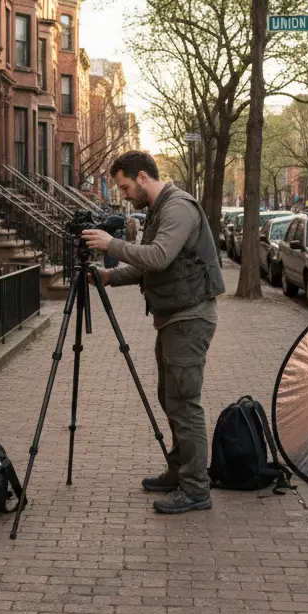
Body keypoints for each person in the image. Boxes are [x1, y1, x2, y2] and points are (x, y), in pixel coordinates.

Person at [82, 152, 225, 515]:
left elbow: (158, 256)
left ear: (143, 177)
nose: (125, 195)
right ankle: (180, 471)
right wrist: (110, 276)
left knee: (184, 402)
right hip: (175, 316)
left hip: (189, 318)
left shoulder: (177, 208)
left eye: (126, 187)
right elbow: (155, 268)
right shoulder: (161, 208)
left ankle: (195, 488)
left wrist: (110, 246)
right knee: (170, 396)